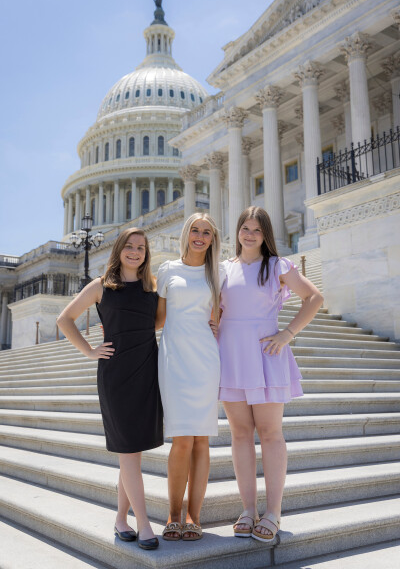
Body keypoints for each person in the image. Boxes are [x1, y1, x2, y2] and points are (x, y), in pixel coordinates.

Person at [216, 206, 323, 543]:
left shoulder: (277, 265)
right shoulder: (222, 269)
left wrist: (287, 333)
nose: (249, 234)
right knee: (240, 434)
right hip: (230, 356)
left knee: (271, 433)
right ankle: (248, 509)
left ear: (265, 235)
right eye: (245, 228)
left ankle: (273, 512)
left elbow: (314, 297)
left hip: (266, 354)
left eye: (257, 230)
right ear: (237, 232)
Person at [57, 228, 163, 551]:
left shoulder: (152, 288)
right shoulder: (100, 287)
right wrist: (90, 351)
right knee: (129, 453)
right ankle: (143, 523)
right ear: (118, 250)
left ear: (146, 253)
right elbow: (65, 319)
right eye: (129, 246)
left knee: (132, 454)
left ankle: (121, 520)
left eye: (140, 248)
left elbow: (158, 323)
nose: (135, 252)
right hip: (116, 377)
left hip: (147, 373)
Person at [155, 212, 224, 542]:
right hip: (173, 360)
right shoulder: (167, 269)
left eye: (206, 232)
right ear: (186, 233)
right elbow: (158, 319)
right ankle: (173, 513)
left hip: (205, 360)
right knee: (182, 438)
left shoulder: (217, 273)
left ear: (213, 239)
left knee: (201, 439)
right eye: (195, 230)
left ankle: (194, 517)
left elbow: (219, 316)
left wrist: (219, 325)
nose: (200, 236)